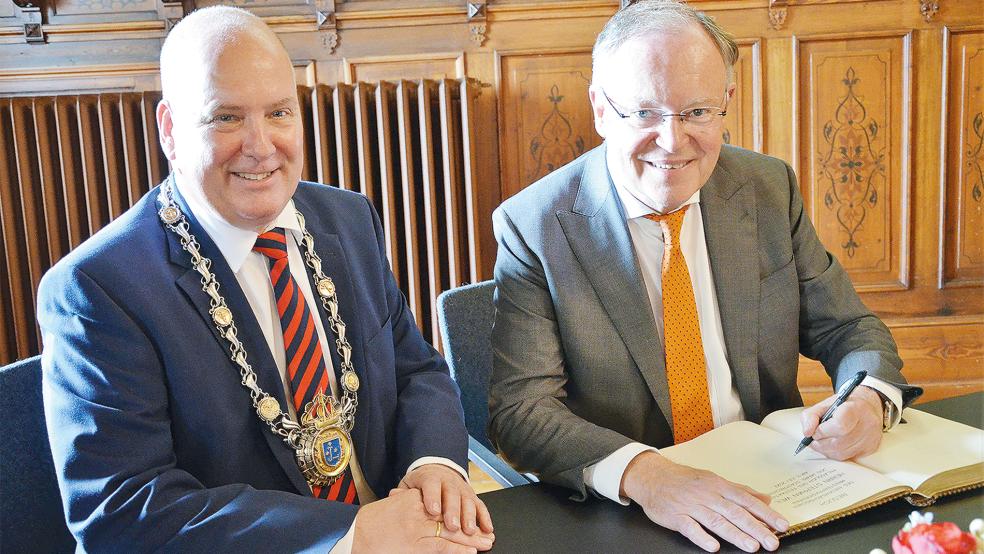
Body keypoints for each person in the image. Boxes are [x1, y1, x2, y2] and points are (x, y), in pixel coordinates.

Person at [38, 6, 494, 553]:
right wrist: (349, 536)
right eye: (226, 117)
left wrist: (435, 464)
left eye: (279, 112)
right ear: (170, 129)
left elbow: (414, 366)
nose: (260, 145)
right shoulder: (98, 289)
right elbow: (124, 508)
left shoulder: (348, 219)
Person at [487, 1, 920, 552]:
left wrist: (869, 399)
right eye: (644, 113)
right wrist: (649, 475)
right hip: (630, 512)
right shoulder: (536, 226)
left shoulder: (767, 189)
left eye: (696, 112)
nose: (673, 141)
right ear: (599, 108)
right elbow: (521, 413)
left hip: (774, 488)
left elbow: (848, 328)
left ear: (726, 105)